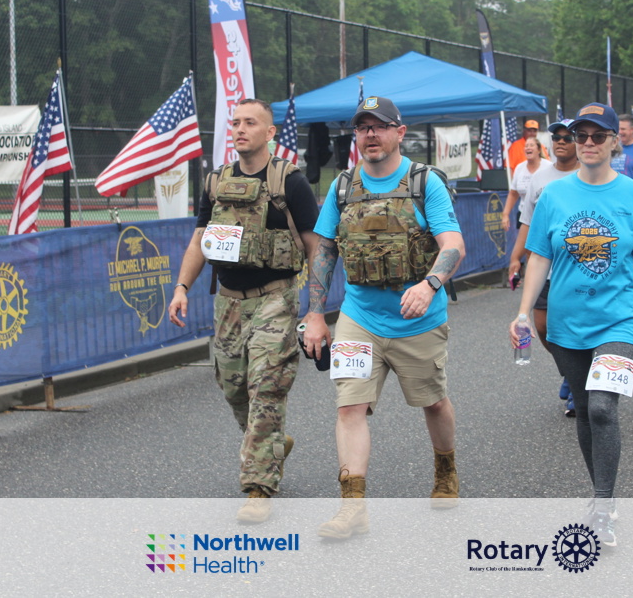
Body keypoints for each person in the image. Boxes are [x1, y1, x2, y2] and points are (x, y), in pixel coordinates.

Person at [509, 102, 633, 546]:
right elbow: (539, 258)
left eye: (597, 136)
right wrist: (524, 313)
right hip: (567, 324)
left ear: (613, 142)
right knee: (584, 409)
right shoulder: (554, 196)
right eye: (579, 136)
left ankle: (604, 506)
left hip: (620, 320)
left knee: (602, 408)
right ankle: (602, 494)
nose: (586, 143)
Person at [301, 96, 465, 537]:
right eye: (362, 127)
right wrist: (315, 315)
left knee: (433, 402)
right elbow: (325, 250)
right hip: (359, 318)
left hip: (418, 320)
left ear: (399, 132)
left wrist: (429, 285)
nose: (370, 134)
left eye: (379, 126)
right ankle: (352, 506)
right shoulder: (343, 187)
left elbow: (453, 244)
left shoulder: (424, 182)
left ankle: (445, 469)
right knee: (350, 406)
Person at [167, 98, 320, 523]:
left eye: (250, 123)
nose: (239, 129)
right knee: (234, 387)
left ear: (269, 132)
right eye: (235, 122)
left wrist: (317, 307)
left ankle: (258, 487)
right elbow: (200, 238)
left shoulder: (289, 182)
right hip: (228, 302)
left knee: (266, 387)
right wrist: (181, 287)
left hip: (276, 297)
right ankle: (272, 443)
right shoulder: (216, 182)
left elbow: (316, 247)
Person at [507, 119, 580, 415]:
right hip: (544, 268)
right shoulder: (539, 178)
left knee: (575, 329)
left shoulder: (587, 175)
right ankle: (569, 372)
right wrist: (516, 257)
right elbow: (527, 223)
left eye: (567, 137)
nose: (560, 141)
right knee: (543, 328)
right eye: (556, 137)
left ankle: (579, 384)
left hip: (576, 270)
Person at [502, 136, 552, 230]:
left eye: (531, 145)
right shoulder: (519, 168)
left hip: (545, 216)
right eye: (526, 146)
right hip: (524, 216)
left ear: (538, 150)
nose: (528, 148)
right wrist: (505, 214)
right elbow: (513, 194)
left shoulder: (549, 166)